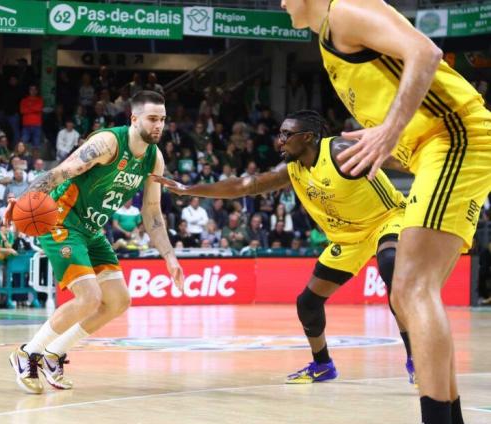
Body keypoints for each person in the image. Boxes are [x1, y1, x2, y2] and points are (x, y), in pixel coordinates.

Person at [281, 1, 489, 424]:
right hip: (436, 147)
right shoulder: (326, 40)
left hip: (455, 137)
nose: (278, 2)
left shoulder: (345, 11)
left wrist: (391, 129)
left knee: (412, 288)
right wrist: (392, 144)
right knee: (411, 290)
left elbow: (426, 52)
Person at [153, 111, 416, 386]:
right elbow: (247, 185)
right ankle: (322, 364)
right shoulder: (293, 169)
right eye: (280, 134)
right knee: (308, 303)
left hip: (387, 220)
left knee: (390, 264)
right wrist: (188, 189)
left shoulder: (339, 151)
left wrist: (436, 170)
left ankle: (416, 360)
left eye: (287, 135)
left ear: (308, 137)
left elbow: (396, 160)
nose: (280, 141)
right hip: (347, 237)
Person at [5, 90, 183, 394]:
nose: (159, 125)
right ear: (135, 118)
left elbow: (152, 211)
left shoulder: (155, 159)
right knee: (89, 296)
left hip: (92, 229)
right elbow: (61, 171)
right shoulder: (108, 143)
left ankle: (54, 353)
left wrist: (169, 256)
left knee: (118, 300)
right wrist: (24, 200)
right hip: (62, 219)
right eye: (153, 119)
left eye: (163, 120)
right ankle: (26, 353)